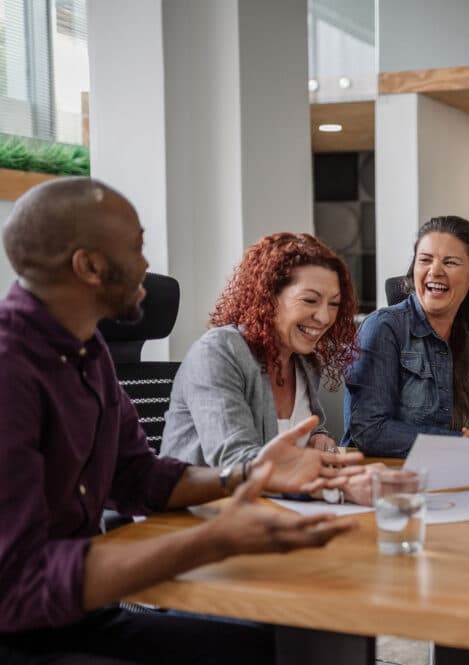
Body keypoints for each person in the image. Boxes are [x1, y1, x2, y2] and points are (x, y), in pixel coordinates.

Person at [0, 178, 367, 664]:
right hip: (20, 636)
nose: (147, 264)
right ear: (88, 265)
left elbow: (140, 479)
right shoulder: (10, 368)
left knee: (269, 651)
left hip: (76, 616)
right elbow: (19, 586)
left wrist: (247, 475)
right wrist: (210, 541)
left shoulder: (88, 354)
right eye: (136, 246)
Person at [161, 233, 377, 504]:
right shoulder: (218, 352)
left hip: (276, 512)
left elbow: (310, 429)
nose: (324, 317)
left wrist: (320, 441)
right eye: (310, 300)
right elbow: (235, 461)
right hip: (201, 518)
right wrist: (336, 487)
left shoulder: (305, 360)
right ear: (268, 297)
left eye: (333, 304)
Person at [343, 216, 469, 457]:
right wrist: (453, 443)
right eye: (425, 260)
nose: (435, 271)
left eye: (450, 262)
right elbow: (369, 430)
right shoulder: (383, 328)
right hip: (384, 482)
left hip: (448, 478)